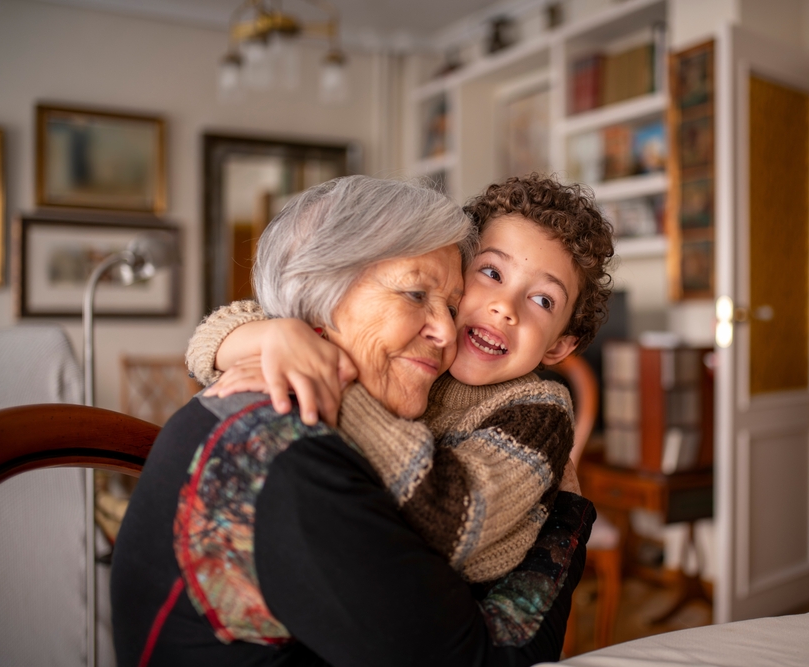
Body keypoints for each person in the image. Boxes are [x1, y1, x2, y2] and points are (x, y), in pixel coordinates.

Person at [110, 176, 596, 667]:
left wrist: (318, 367)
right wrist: (281, 339)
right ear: (324, 292)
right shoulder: (289, 452)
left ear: (560, 343)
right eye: (414, 294)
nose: (448, 330)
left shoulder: (531, 406)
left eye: (450, 305)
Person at [187, 175, 614, 584]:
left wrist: (333, 379)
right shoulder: (420, 352)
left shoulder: (539, 411)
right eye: (491, 273)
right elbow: (205, 342)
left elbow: (454, 522)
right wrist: (274, 336)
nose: (505, 307)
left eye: (543, 299)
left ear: (559, 346)